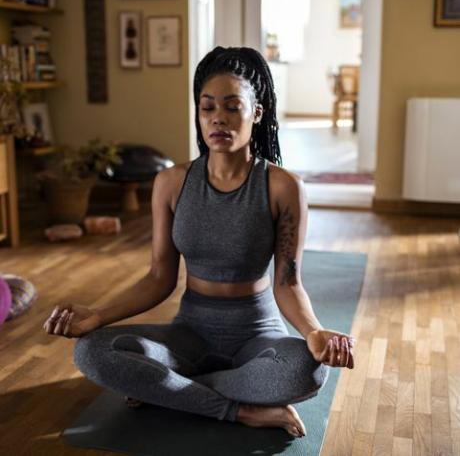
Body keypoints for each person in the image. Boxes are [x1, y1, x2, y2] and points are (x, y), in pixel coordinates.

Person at [43, 46, 356, 439]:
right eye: (207, 107)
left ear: (257, 113)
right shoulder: (172, 183)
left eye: (232, 107)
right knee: (89, 351)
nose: (218, 119)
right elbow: (159, 276)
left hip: (257, 336)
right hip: (189, 336)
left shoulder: (282, 186)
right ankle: (238, 409)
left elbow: (288, 282)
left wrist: (313, 332)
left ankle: (167, 390)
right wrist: (98, 316)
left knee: (307, 369)